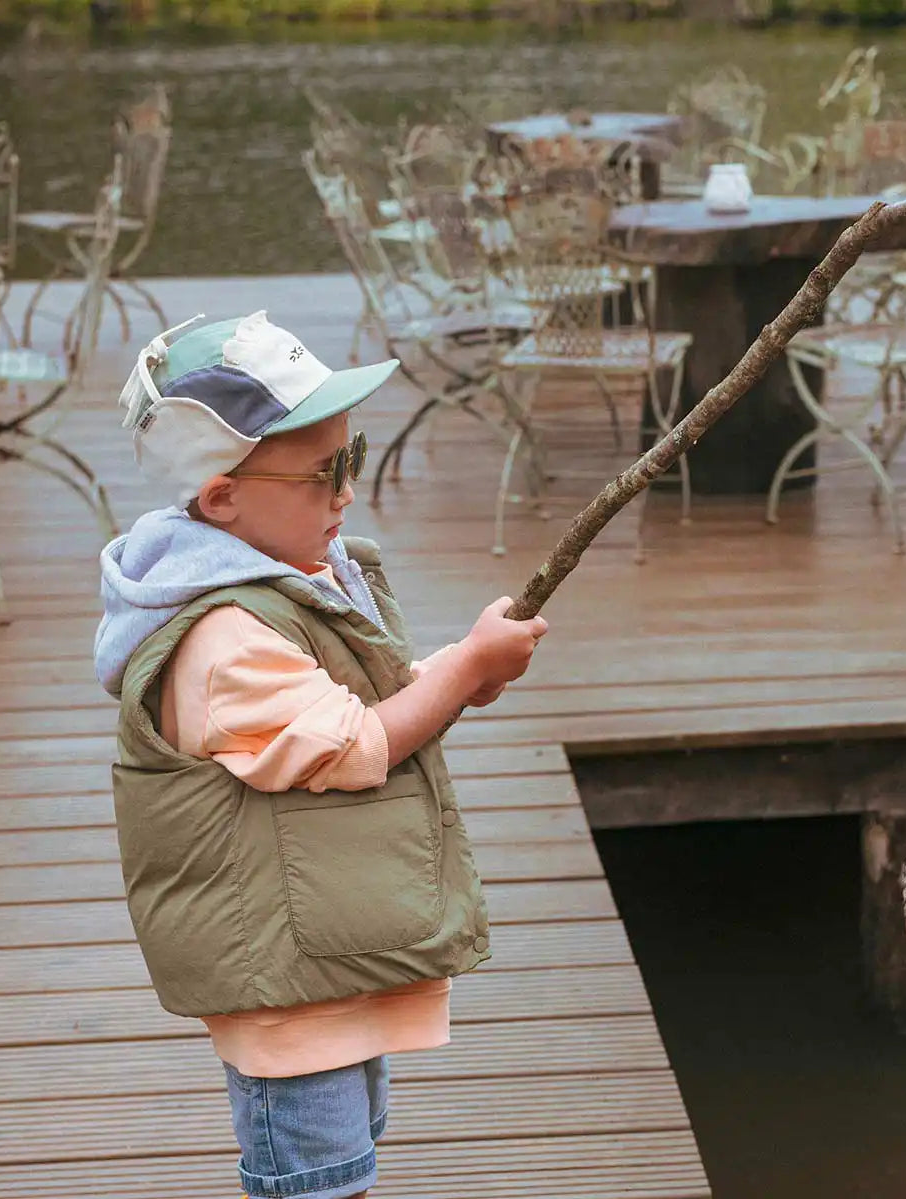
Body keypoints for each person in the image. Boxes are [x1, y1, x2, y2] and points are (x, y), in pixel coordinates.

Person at [93, 310, 548, 1199]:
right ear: (220, 498)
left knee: (343, 1167)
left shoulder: (280, 582)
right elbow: (356, 742)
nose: (347, 493)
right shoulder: (225, 633)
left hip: (319, 956)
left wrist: (450, 678)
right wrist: (458, 673)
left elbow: (340, 706)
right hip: (282, 984)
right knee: (317, 1182)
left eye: (355, 457)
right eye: (323, 472)